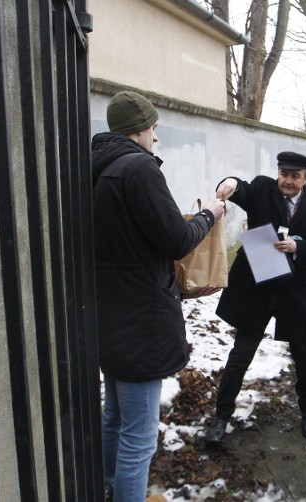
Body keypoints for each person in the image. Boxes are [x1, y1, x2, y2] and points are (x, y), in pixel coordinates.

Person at [92, 91, 226, 501]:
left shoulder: (95, 166)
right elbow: (176, 240)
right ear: (139, 128)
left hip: (106, 314)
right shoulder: (139, 170)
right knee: (139, 437)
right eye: (153, 128)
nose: (156, 137)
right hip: (140, 323)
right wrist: (210, 215)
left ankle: (111, 489)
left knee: (114, 417)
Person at [205, 152, 306, 444]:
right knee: (242, 352)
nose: (287, 181)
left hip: (295, 288)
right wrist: (229, 182)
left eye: (295, 176)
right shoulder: (264, 189)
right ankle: (221, 416)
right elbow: (242, 190)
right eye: (284, 174)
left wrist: (298, 248)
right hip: (257, 286)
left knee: (303, 352)